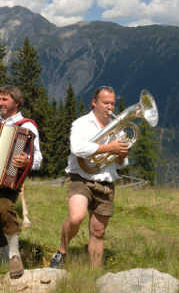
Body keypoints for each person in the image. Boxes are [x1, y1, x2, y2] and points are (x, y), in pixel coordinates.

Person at [49, 86, 129, 269]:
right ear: (94, 102)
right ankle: (62, 251)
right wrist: (109, 148)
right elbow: (77, 148)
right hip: (81, 178)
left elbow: (121, 163)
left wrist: (122, 154)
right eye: (105, 103)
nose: (110, 107)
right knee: (76, 217)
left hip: (106, 181)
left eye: (112, 104)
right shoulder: (81, 124)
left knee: (98, 231)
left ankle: (94, 274)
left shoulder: (119, 130)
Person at [0, 86, 42, 279]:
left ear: (16, 103)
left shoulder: (27, 126)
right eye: (0, 99)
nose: (0, 103)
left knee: (4, 209)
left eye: (5, 99)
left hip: (11, 180)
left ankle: (14, 255)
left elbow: (38, 159)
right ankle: (3, 255)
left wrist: (26, 160)